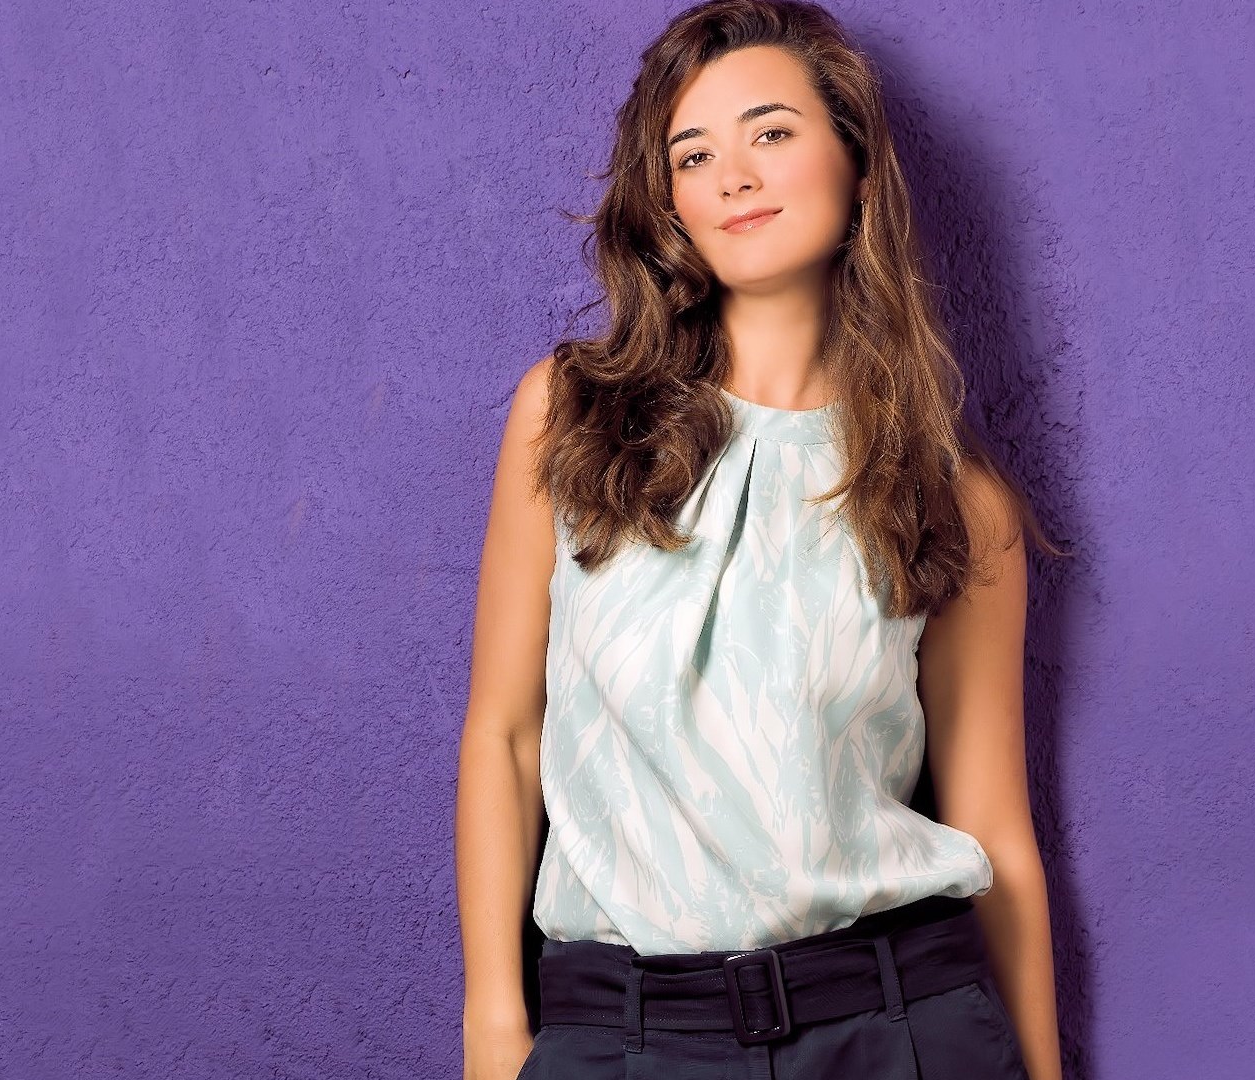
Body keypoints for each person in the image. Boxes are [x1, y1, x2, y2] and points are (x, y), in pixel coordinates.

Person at [455, 1, 1068, 1076]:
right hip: (623, 1034)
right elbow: (505, 737)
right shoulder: (569, 417)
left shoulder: (954, 499)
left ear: (859, 168)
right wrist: (494, 1028)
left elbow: (995, 836)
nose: (733, 176)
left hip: (897, 1029)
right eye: (693, 154)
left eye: (772, 133)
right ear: (670, 203)